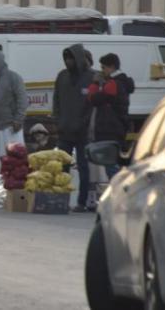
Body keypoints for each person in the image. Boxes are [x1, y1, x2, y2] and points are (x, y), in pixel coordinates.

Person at [52, 44, 94, 199]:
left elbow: (92, 106)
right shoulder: (62, 76)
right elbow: (56, 100)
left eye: (71, 58)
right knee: (62, 166)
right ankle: (61, 198)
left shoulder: (91, 77)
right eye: (66, 58)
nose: (68, 62)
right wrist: (57, 120)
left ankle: (82, 201)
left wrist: (85, 123)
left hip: (82, 132)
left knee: (83, 167)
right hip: (65, 131)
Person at [88, 53, 135, 183]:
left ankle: (117, 189)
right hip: (118, 126)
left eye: (103, 68)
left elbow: (94, 99)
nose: (102, 71)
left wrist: (95, 84)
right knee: (115, 162)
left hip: (109, 128)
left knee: (110, 164)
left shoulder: (113, 84)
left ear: (112, 67)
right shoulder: (123, 82)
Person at [0, 51, 29, 170]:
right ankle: (2, 187)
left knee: (16, 163)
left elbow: (22, 100)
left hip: (11, 128)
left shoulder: (13, 78)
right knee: (0, 164)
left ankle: (17, 187)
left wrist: (18, 120)